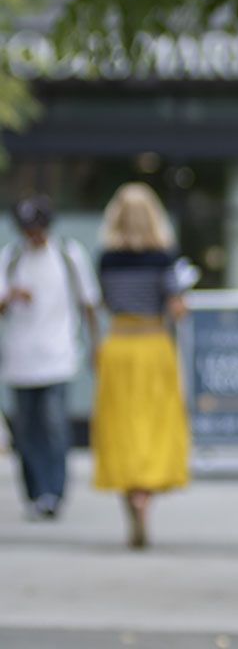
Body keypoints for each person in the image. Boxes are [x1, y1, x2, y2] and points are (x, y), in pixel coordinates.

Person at [90, 183, 189, 549]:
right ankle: (145, 495)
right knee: (155, 424)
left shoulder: (106, 258)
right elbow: (177, 308)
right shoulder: (165, 257)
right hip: (152, 345)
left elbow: (103, 302)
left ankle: (130, 496)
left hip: (118, 345)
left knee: (121, 427)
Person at [0, 195, 100, 520]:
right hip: (20, 359)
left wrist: (96, 345)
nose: (33, 235)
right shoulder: (11, 258)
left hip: (58, 355)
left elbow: (89, 303)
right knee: (27, 430)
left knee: (55, 426)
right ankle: (35, 492)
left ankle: (54, 493)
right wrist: (10, 295)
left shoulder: (69, 255)